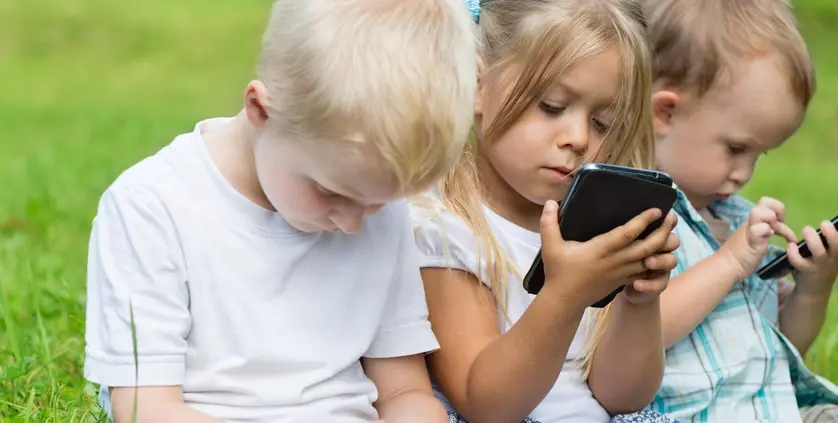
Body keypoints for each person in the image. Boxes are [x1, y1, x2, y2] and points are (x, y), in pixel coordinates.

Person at [82, 0, 477, 422]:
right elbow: (145, 410)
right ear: (261, 110)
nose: (352, 222)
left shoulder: (378, 209)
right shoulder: (152, 208)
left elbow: (402, 389)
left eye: (379, 201)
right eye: (331, 192)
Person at [409, 1, 681, 423]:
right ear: (477, 85)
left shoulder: (593, 226)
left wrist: (639, 302)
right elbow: (485, 404)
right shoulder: (444, 226)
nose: (577, 138)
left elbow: (622, 397)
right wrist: (565, 295)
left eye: (603, 123)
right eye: (552, 106)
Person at [641, 0, 838, 422]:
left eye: (760, 154)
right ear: (665, 112)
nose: (744, 173)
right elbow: (639, 336)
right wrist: (728, 263)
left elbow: (783, 349)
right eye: (735, 149)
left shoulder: (734, 217)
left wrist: (814, 286)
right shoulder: (632, 216)